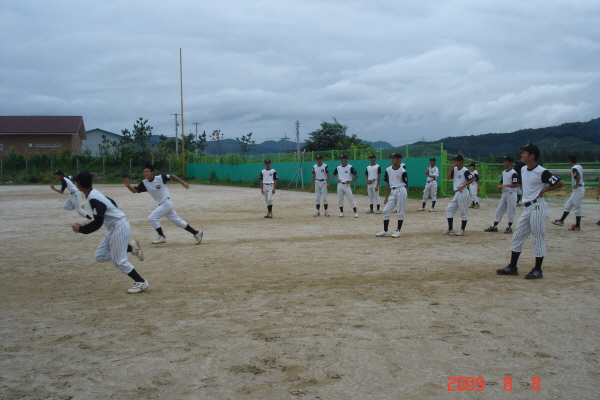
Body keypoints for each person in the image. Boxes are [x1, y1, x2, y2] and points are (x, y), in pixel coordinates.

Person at [71, 171, 148, 294]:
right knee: (100, 256)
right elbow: (110, 201)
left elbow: (98, 222)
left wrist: (81, 229)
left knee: (119, 260)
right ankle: (130, 248)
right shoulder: (93, 193)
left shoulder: (93, 198)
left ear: (79, 184)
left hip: (119, 226)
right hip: (114, 226)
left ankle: (141, 282)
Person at [496, 144, 564, 279]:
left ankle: (538, 269)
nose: (522, 155)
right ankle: (512, 267)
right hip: (528, 206)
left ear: (532, 156)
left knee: (537, 237)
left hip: (538, 206)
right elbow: (524, 184)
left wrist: (543, 190)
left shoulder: (542, 171)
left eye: (524, 153)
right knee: (517, 236)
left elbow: (560, 183)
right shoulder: (523, 170)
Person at [124, 164, 202, 244]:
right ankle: (196, 233)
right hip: (164, 204)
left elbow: (172, 175)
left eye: (147, 171)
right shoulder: (144, 183)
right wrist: (128, 186)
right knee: (178, 222)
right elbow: (134, 190)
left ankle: (161, 236)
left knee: (152, 218)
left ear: (152, 172)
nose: (145, 173)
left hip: (166, 203)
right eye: (144, 172)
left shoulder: (160, 178)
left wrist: (182, 182)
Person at [484, 156, 520, 234]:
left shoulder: (513, 173)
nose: (504, 163)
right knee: (500, 209)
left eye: (506, 161)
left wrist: (505, 185)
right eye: (504, 161)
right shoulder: (504, 172)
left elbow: (516, 184)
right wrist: (501, 186)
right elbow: (502, 182)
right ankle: (495, 225)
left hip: (511, 193)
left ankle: (509, 227)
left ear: (510, 162)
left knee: (510, 210)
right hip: (505, 193)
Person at [376, 153, 408, 238]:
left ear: (399, 159)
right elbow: (387, 183)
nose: (392, 160)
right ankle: (385, 231)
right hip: (393, 191)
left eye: (394, 158)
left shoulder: (402, 170)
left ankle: (398, 231)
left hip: (401, 189)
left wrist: (404, 194)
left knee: (400, 211)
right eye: (391, 158)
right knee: (386, 210)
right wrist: (386, 196)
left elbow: (406, 183)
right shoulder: (388, 170)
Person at [443, 155, 476, 236]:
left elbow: (472, 179)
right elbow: (448, 178)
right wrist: (450, 168)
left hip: (463, 192)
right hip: (457, 193)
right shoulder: (455, 169)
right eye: (454, 160)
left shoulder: (465, 170)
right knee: (449, 209)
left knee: (463, 211)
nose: (455, 162)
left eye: (456, 160)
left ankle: (462, 230)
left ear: (461, 161)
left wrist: (463, 186)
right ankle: (450, 229)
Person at [551, 155, 585, 231]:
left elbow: (578, 176)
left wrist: (576, 184)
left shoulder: (574, 168)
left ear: (570, 160)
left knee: (577, 207)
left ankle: (577, 225)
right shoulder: (579, 166)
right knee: (568, 204)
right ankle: (561, 220)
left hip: (578, 189)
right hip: (579, 188)